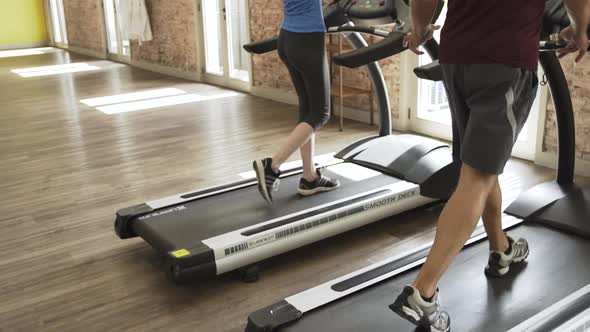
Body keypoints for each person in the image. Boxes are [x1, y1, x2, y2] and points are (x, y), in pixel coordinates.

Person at [389, 0, 590, 331]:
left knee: (479, 166)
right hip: (506, 61)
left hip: (457, 58)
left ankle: (501, 249)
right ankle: (422, 294)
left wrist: (420, 29)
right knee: (479, 176)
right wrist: (580, 31)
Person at [253, 0, 340, 205]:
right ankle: (272, 166)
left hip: (287, 38)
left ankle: (309, 178)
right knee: (321, 113)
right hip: (307, 39)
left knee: (309, 109)